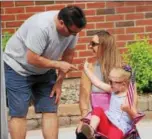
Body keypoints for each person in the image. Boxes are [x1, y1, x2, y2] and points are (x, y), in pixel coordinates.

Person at [3, 5, 86, 139]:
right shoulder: (41, 27)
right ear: (61, 22)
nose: (73, 36)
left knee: (50, 109)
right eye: (71, 32)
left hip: (45, 70)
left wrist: (59, 83)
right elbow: (31, 58)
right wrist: (58, 64)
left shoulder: (73, 29)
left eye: (75, 33)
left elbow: (68, 55)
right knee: (19, 112)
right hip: (18, 67)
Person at [80, 61, 138, 139]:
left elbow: (135, 117)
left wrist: (128, 110)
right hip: (107, 122)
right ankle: (91, 131)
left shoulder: (129, 97)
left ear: (123, 84)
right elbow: (97, 83)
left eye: (111, 82)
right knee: (98, 109)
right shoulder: (112, 90)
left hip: (119, 127)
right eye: (109, 81)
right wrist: (86, 70)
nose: (109, 84)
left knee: (114, 135)